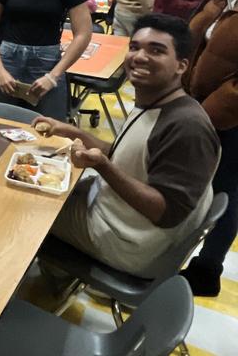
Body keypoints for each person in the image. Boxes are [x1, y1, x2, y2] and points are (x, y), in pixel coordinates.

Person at [36, 14, 220, 278]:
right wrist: (72, 131)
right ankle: (55, 275)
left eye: (156, 50)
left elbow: (166, 213)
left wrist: (102, 166)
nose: (140, 57)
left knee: (26, 207)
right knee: (45, 186)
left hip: (127, 244)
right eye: (135, 47)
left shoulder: (187, 127)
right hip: (114, 215)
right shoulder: (155, 100)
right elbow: (126, 154)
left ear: (181, 66)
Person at [179, 0, 238, 296]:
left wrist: (205, 113)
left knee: (226, 193)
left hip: (226, 120)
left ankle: (207, 269)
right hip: (199, 107)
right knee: (197, 186)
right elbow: (195, 40)